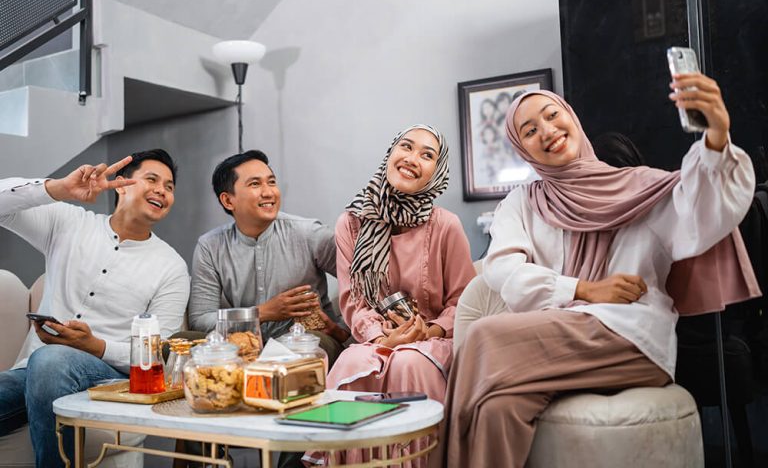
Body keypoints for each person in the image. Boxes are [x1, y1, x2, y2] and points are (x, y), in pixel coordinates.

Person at [438, 73, 759, 468]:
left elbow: (704, 208)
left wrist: (716, 137)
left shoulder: (639, 188)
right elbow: (502, 270)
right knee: (496, 407)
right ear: (524, 149)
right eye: (530, 130)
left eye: (553, 116)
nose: (548, 131)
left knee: (485, 335)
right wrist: (584, 290)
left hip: (630, 338)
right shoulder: (521, 203)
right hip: (556, 342)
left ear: (572, 118)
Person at [0, 149, 189, 468]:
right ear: (122, 185)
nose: (162, 190)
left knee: (51, 359)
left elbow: (162, 353)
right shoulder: (68, 222)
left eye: (169, 187)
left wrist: (96, 347)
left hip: (108, 377)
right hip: (32, 373)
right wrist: (58, 189)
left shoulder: (171, 267)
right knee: (43, 364)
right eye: (152, 180)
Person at [304, 125, 475, 466]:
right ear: (390, 154)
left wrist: (431, 331)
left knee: (410, 361)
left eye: (427, 155)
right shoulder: (352, 222)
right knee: (351, 362)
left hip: (435, 339)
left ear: (435, 172)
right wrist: (383, 335)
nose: (413, 159)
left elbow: (466, 302)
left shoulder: (445, 225)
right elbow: (353, 301)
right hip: (377, 338)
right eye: (406, 147)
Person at [188, 150, 348, 365]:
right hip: (241, 344)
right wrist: (261, 313)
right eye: (255, 184)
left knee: (308, 348)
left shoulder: (309, 234)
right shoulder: (210, 246)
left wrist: (341, 332)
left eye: (271, 182)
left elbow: (365, 286)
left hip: (304, 341)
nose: (268, 192)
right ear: (228, 200)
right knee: (177, 344)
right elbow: (200, 319)